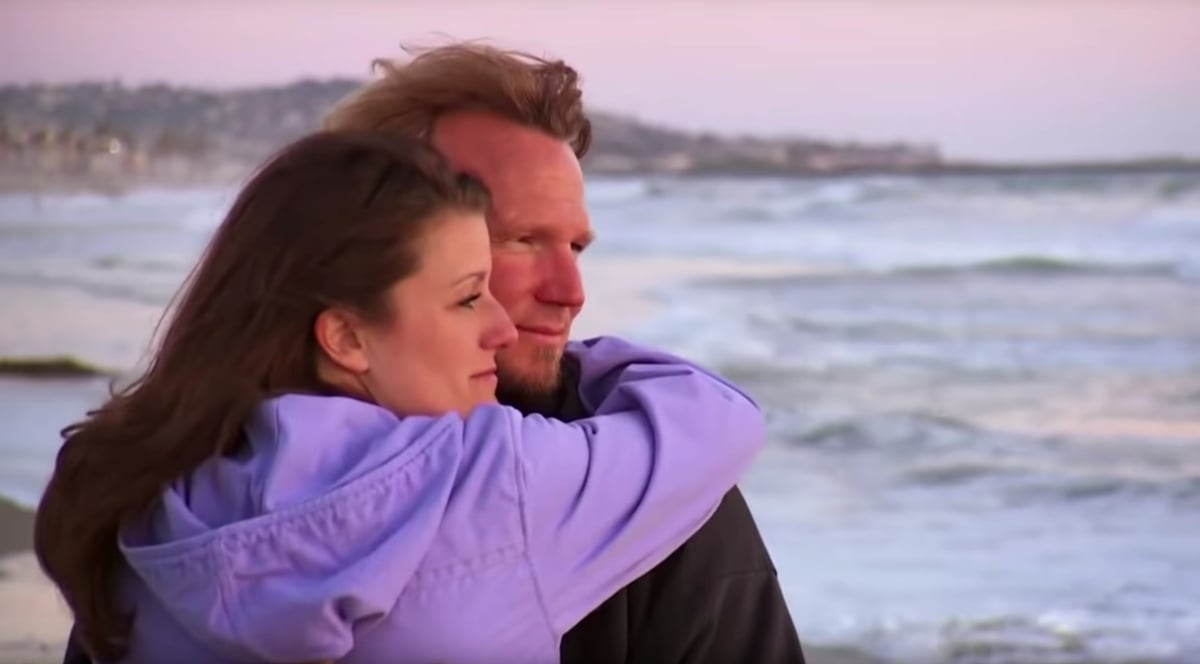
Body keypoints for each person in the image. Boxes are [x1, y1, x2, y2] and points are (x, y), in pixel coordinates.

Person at [56, 43, 807, 664]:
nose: (568, 289)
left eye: (575, 245)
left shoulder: (165, 491)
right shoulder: (583, 488)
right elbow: (718, 420)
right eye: (516, 242)